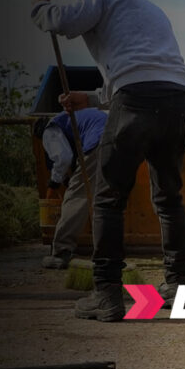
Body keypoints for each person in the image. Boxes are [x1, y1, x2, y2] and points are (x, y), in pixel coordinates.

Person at [31, 0, 185, 321]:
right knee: (169, 198)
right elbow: (144, 70)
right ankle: (182, 289)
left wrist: (40, 9)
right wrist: (89, 98)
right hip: (179, 99)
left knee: (108, 198)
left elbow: (63, 21)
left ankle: (106, 292)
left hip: (136, 97)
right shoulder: (151, 10)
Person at [40, 108, 108, 269]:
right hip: (120, 139)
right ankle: (110, 251)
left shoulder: (50, 128)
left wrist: (54, 182)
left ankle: (61, 251)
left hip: (99, 141)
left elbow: (63, 158)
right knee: (106, 197)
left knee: (77, 196)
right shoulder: (78, 118)